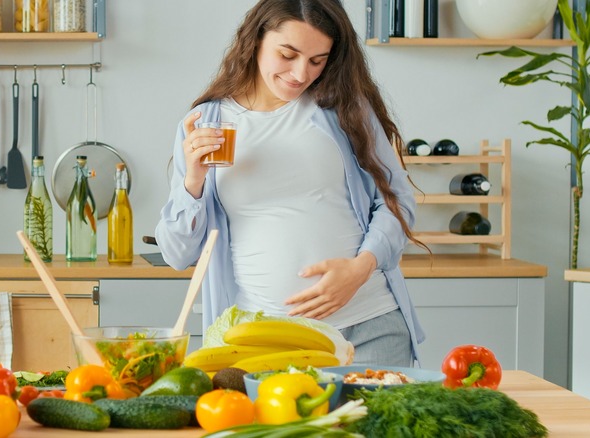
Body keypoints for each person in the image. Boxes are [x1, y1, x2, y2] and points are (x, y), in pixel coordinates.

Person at [155, 0, 425, 366]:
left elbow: (398, 201)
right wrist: (193, 180)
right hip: (263, 342)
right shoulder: (207, 122)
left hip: (368, 327)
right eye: (288, 54)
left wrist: (360, 268)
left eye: (317, 60)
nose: (301, 74)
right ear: (255, 40)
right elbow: (177, 254)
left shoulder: (344, 109)